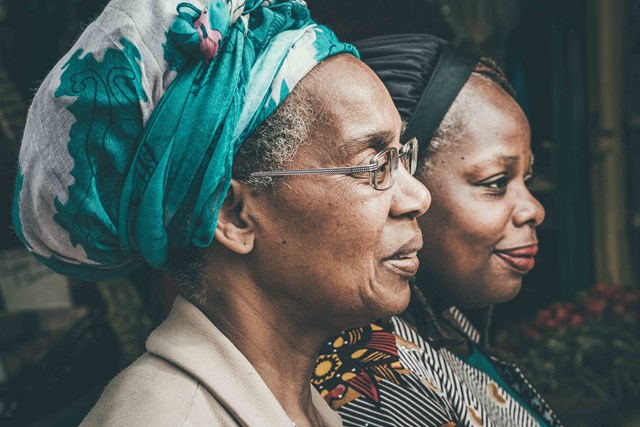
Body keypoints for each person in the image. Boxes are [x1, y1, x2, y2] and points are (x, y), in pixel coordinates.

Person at [12, 2, 431, 425]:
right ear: (233, 216)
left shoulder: (301, 407)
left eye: (401, 156)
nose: (418, 197)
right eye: (375, 164)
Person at [312, 34, 563, 427]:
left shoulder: (448, 325)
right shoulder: (371, 377)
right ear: (400, 185)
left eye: (526, 178)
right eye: (496, 182)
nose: (535, 209)